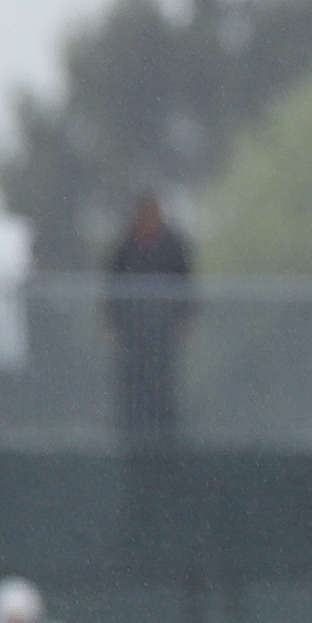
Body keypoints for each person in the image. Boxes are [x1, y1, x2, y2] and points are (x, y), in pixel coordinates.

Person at [104, 192, 195, 455]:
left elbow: (186, 283)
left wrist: (185, 320)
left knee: (163, 382)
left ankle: (168, 438)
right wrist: (112, 320)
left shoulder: (173, 246)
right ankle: (129, 436)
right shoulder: (125, 246)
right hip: (132, 332)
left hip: (163, 331)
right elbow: (113, 284)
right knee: (131, 382)